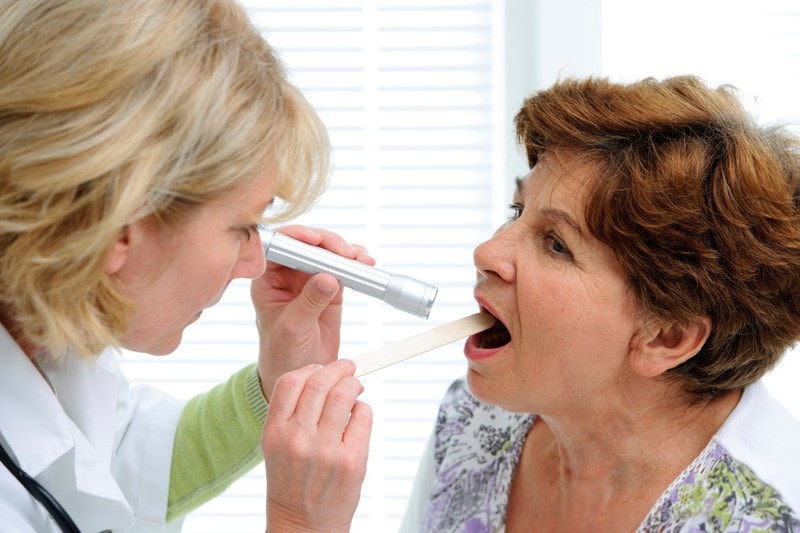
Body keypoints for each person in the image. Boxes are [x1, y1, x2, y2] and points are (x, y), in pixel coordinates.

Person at [0, 0, 371, 531]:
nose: (253, 263)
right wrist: (300, 520)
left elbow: (119, 472)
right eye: (242, 225)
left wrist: (276, 382)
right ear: (114, 226)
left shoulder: (46, 353)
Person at [393, 75, 800, 531]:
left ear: (667, 337)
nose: (487, 253)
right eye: (516, 210)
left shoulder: (767, 518)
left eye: (556, 244)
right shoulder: (472, 423)